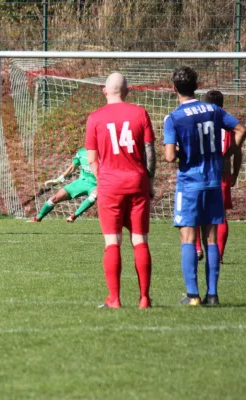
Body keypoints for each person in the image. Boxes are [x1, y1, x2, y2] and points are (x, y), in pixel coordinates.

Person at [163, 67, 246, 306]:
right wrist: (228, 153)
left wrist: (182, 150)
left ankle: (192, 296)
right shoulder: (214, 109)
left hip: (190, 183)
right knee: (211, 238)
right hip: (213, 181)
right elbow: (240, 129)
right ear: (197, 86)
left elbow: (169, 157)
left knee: (188, 237)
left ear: (174, 88)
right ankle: (212, 295)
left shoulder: (174, 117)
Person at [85, 72, 156, 309]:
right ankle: (144, 298)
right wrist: (150, 182)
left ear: (105, 91)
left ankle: (114, 298)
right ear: (127, 91)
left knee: (112, 241)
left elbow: (92, 160)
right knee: (140, 240)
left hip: (110, 185)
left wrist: (103, 180)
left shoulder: (94, 117)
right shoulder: (140, 112)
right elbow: (149, 152)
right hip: (137, 182)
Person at [194, 90, 242, 264]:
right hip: (222, 174)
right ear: (222, 104)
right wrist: (234, 173)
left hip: (201, 171)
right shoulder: (228, 123)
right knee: (220, 216)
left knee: (197, 211)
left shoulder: (199, 121)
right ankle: (219, 256)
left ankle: (198, 248)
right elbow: (238, 152)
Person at [28, 147, 97, 223]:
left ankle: (74, 216)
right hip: (81, 182)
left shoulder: (105, 153)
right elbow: (72, 167)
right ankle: (38, 218)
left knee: (93, 196)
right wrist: (58, 180)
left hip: (98, 183)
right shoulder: (82, 151)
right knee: (55, 198)